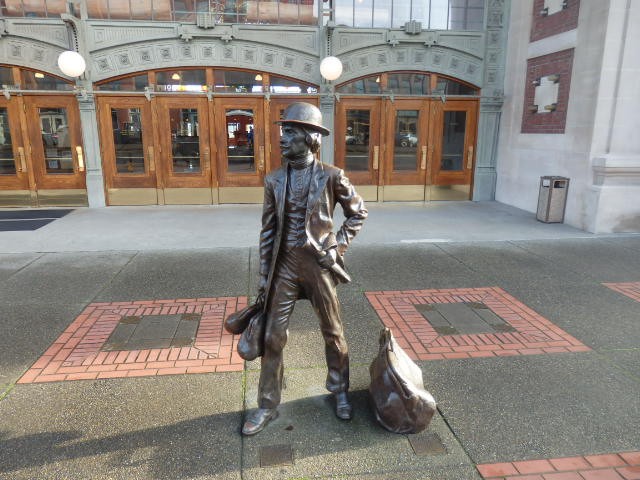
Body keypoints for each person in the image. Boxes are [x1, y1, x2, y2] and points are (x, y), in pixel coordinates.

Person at [242, 102, 368, 436]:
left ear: (310, 138)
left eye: (290, 133)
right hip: (284, 267)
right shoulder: (274, 179)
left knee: (333, 331)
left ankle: (340, 390)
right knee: (272, 337)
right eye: (283, 132)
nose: (282, 139)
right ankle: (267, 405)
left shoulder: (331, 175)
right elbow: (268, 231)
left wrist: (337, 248)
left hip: (318, 266)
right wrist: (263, 277)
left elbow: (358, 213)